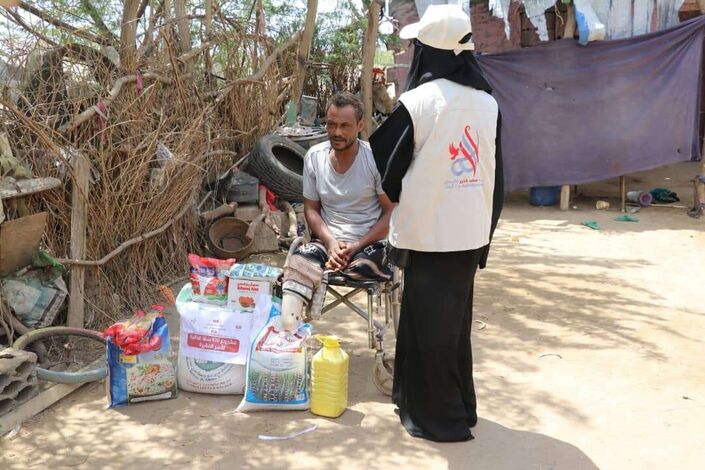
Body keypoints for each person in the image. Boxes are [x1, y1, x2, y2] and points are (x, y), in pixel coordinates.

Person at [369, 4, 504, 442]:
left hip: (429, 236)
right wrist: (485, 231)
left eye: (417, 46)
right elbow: (498, 176)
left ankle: (440, 418)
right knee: (447, 325)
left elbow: (385, 168)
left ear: (430, 52)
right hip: (468, 236)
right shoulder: (488, 104)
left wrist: (410, 192)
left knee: (430, 329)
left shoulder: (418, 103)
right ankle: (438, 402)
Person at [280, 92, 395, 328]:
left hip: (368, 244)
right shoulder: (314, 157)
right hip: (327, 243)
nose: (337, 132)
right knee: (297, 264)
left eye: (345, 126)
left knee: (363, 267)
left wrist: (355, 246)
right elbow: (311, 210)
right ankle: (289, 332)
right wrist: (331, 243)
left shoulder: (375, 159)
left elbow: (390, 213)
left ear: (360, 126)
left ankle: (343, 264)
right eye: (331, 125)